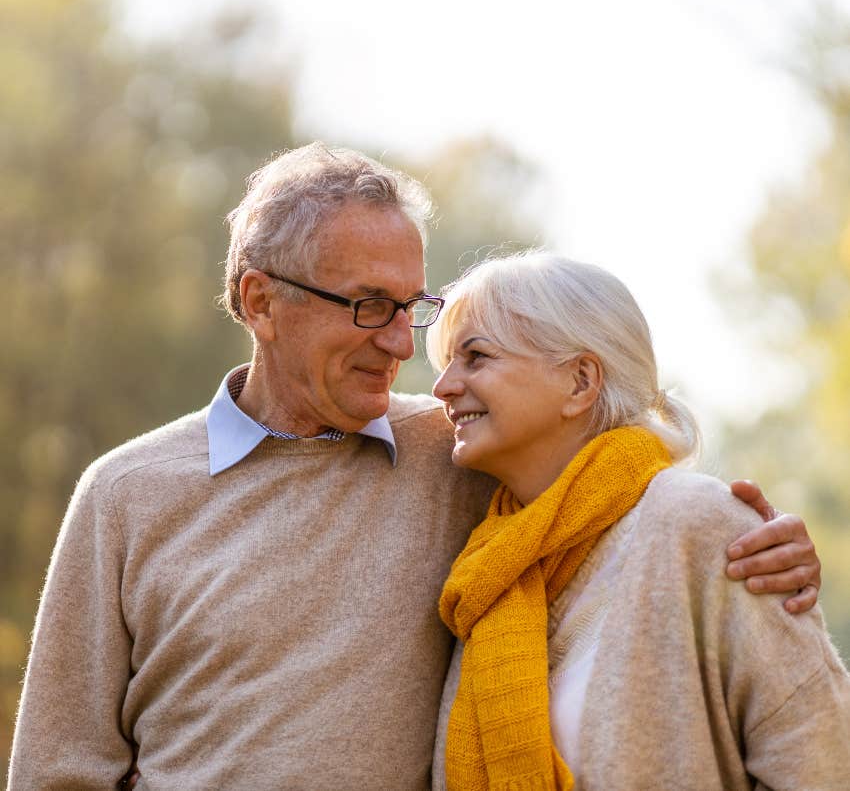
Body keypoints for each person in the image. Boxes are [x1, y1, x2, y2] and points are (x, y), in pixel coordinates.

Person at [8, 145, 822, 790]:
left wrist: (766, 546)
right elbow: (58, 770)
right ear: (260, 302)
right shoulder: (125, 494)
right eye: (368, 305)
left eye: (411, 307)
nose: (403, 345)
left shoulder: (463, 451)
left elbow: (609, 466)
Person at [428, 251, 850, 791]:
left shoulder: (698, 523)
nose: (442, 388)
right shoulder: (489, 570)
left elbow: (820, 758)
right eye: (445, 365)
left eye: (476, 357)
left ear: (580, 382)